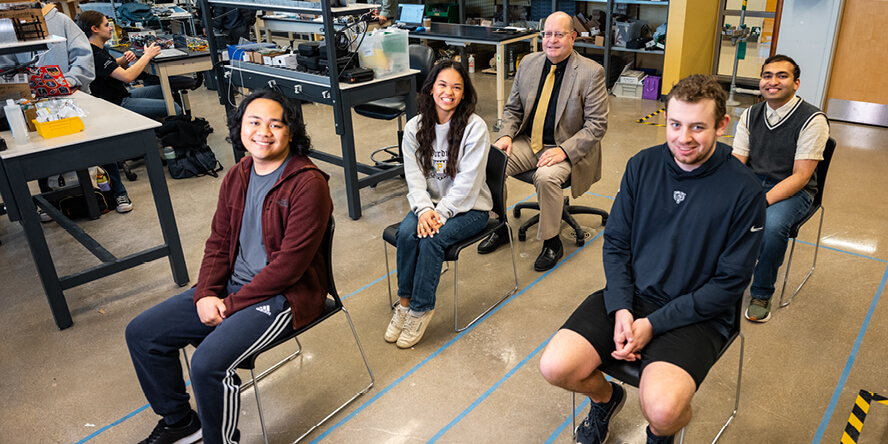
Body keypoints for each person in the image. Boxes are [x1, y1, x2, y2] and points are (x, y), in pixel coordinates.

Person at [538, 75, 766, 444]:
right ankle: (607, 399)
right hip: (633, 296)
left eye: (698, 127)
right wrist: (623, 309)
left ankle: (661, 435)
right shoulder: (642, 166)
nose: (683, 138)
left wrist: (653, 324)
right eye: (675, 124)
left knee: (662, 409)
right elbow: (616, 244)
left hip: (697, 314)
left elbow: (728, 285)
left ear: (722, 126)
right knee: (556, 367)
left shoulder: (744, 191)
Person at [125, 89, 333, 444]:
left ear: (292, 132)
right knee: (143, 333)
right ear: (240, 128)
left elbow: (289, 267)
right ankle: (179, 422)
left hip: (285, 296)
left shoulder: (308, 185)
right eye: (254, 122)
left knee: (207, 365)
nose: (263, 132)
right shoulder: (238, 174)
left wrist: (230, 305)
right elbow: (219, 242)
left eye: (275, 124)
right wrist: (206, 292)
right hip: (231, 289)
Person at [476, 11, 608, 272]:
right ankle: (500, 226)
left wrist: (564, 151)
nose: (552, 40)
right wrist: (505, 135)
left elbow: (597, 125)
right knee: (489, 162)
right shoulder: (529, 64)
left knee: (546, 177)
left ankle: (552, 242)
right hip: (530, 141)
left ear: (572, 37)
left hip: (569, 148)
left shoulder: (591, 73)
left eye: (559, 34)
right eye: (547, 34)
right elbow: (513, 109)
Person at [385, 60, 492, 348]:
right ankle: (404, 304)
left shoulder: (474, 127)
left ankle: (421, 309)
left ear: (464, 93)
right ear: (431, 88)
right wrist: (424, 210)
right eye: (443, 85)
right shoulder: (414, 127)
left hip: (470, 208)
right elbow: (414, 177)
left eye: (457, 87)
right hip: (428, 205)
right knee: (407, 233)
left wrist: (439, 214)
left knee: (430, 239)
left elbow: (467, 185)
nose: (449, 92)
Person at [733, 54, 829, 323]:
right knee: (712, 210)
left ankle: (762, 292)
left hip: (794, 191)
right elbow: (737, 163)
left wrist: (759, 202)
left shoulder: (813, 119)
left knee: (772, 227)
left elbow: (800, 176)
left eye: (782, 76)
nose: (772, 81)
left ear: (796, 83)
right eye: (767, 76)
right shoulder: (751, 113)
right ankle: (719, 278)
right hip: (755, 184)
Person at [77, 11, 182, 120]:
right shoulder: (96, 54)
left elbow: (108, 68)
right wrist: (147, 56)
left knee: (164, 89)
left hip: (122, 94)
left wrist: (124, 60)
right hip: (117, 103)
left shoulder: (95, 49)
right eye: (107, 25)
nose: (111, 28)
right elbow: (127, 77)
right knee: (174, 107)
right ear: (95, 29)